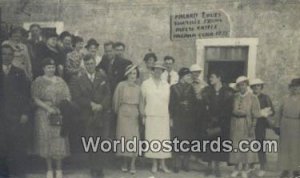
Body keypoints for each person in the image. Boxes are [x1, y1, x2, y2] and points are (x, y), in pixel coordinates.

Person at [69, 54, 111, 178]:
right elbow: (77, 97)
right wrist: (91, 104)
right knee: (91, 142)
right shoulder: (79, 79)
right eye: (87, 64)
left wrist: (101, 106)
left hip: (102, 114)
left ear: (95, 64)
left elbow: (108, 94)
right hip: (88, 115)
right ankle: (93, 168)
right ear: (84, 65)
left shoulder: (103, 77)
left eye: (92, 63)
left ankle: (100, 168)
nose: (90, 66)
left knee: (102, 142)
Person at [31, 58, 70, 178]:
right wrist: (47, 108)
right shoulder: (38, 81)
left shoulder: (60, 81)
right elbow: (35, 98)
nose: (51, 69)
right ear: (43, 68)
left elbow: (68, 96)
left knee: (58, 140)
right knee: (46, 140)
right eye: (48, 67)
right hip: (43, 114)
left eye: (52, 67)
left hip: (58, 113)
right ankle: (49, 169)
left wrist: (60, 106)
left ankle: (59, 169)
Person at [1, 44, 31, 178]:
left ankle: (18, 173)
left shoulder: (19, 72)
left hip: (16, 116)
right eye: (3, 54)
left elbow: (26, 95)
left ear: (13, 56)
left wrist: (25, 113)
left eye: (9, 54)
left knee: (17, 145)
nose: (6, 56)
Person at [201, 71, 234, 177]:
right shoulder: (207, 91)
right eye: (210, 77)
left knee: (219, 144)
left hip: (222, 122)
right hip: (209, 121)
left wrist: (220, 119)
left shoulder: (227, 91)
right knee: (209, 144)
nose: (210, 79)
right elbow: (204, 107)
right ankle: (209, 167)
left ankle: (217, 167)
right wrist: (209, 118)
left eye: (212, 77)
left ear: (219, 78)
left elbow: (228, 108)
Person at [141, 61, 171, 173]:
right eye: (156, 69)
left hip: (163, 115)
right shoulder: (146, 84)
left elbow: (169, 102)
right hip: (151, 115)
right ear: (152, 70)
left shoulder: (166, 85)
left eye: (160, 70)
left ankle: (162, 164)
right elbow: (142, 101)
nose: (158, 71)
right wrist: (143, 115)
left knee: (163, 140)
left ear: (163, 72)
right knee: (153, 139)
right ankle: (154, 164)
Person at [229, 76, 262, 178]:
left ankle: (244, 168)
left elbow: (256, 114)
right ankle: (236, 168)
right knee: (235, 146)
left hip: (246, 124)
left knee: (245, 147)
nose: (241, 87)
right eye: (239, 85)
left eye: (243, 85)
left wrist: (252, 127)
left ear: (247, 85)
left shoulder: (253, 97)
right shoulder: (235, 96)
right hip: (235, 123)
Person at [113, 65, 142, 174]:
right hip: (123, 113)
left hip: (134, 113)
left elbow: (141, 103)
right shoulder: (121, 85)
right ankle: (124, 162)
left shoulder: (138, 88)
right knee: (124, 138)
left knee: (134, 138)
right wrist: (118, 112)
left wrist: (141, 114)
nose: (132, 76)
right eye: (130, 73)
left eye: (134, 73)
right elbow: (116, 101)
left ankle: (133, 164)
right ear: (126, 75)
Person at [169, 68, 196, 173]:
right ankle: (176, 164)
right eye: (187, 76)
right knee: (177, 140)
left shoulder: (191, 88)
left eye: (189, 76)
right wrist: (172, 116)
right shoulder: (173, 88)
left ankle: (185, 163)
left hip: (188, 118)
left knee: (187, 140)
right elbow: (171, 104)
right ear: (182, 76)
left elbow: (194, 104)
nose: (189, 77)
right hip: (177, 117)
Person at [249, 78, 275, 177]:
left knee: (260, 143)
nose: (256, 88)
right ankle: (251, 166)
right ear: (251, 88)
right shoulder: (250, 97)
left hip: (260, 123)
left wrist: (264, 113)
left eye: (258, 86)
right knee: (250, 144)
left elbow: (272, 111)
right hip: (250, 123)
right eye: (254, 86)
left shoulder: (265, 97)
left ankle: (262, 167)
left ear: (261, 87)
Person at [276, 78, 300, 178]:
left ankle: (295, 170)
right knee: (284, 148)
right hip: (285, 124)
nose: (294, 89)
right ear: (289, 88)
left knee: (295, 147)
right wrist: (277, 125)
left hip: (297, 124)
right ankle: (284, 169)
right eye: (292, 87)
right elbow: (279, 112)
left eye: (297, 87)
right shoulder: (285, 98)